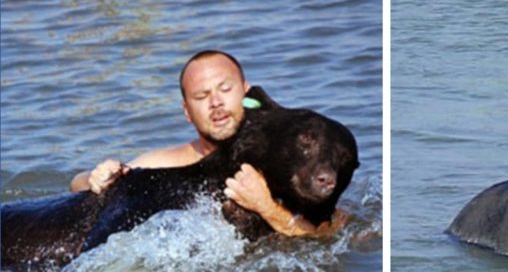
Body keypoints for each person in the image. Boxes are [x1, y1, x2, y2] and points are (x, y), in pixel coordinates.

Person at [70, 50, 343, 237]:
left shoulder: (284, 157)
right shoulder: (171, 163)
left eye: (225, 90)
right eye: (201, 96)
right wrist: (95, 177)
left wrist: (267, 208)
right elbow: (77, 186)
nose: (216, 103)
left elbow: (334, 237)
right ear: (187, 112)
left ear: (247, 93)